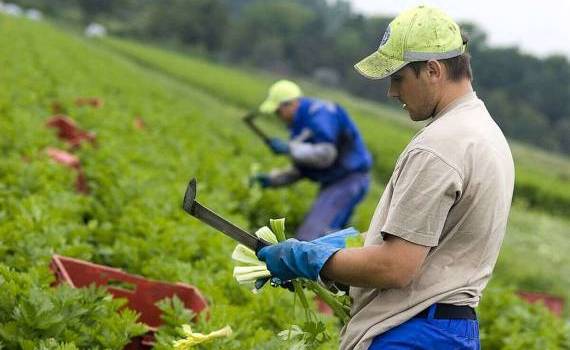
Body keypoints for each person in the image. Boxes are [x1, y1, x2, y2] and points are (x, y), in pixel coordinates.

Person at [256, 5, 515, 350]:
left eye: (398, 79)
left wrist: (311, 260)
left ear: (433, 70)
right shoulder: (486, 134)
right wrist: (342, 249)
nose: (393, 93)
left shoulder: (439, 146)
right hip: (449, 329)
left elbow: (395, 267)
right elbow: (424, 244)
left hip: (412, 332)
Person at [252, 80, 372, 241]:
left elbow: (326, 154)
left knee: (312, 238)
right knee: (332, 239)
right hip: (336, 182)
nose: (278, 116)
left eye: (278, 111)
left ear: (291, 104)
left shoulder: (320, 113)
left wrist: (290, 148)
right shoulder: (300, 126)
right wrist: (273, 179)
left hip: (347, 181)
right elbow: (304, 167)